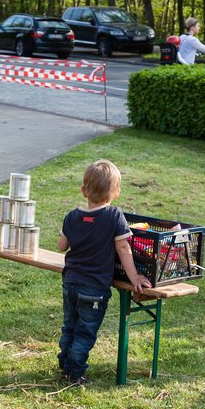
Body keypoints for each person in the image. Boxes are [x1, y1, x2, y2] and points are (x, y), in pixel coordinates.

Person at [55, 160, 152, 385]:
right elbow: (123, 248)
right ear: (115, 192)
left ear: (83, 190)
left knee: (69, 325)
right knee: (85, 332)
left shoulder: (72, 216)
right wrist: (134, 276)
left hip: (70, 284)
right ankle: (74, 373)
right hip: (94, 289)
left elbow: (61, 246)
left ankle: (65, 364)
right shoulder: (114, 216)